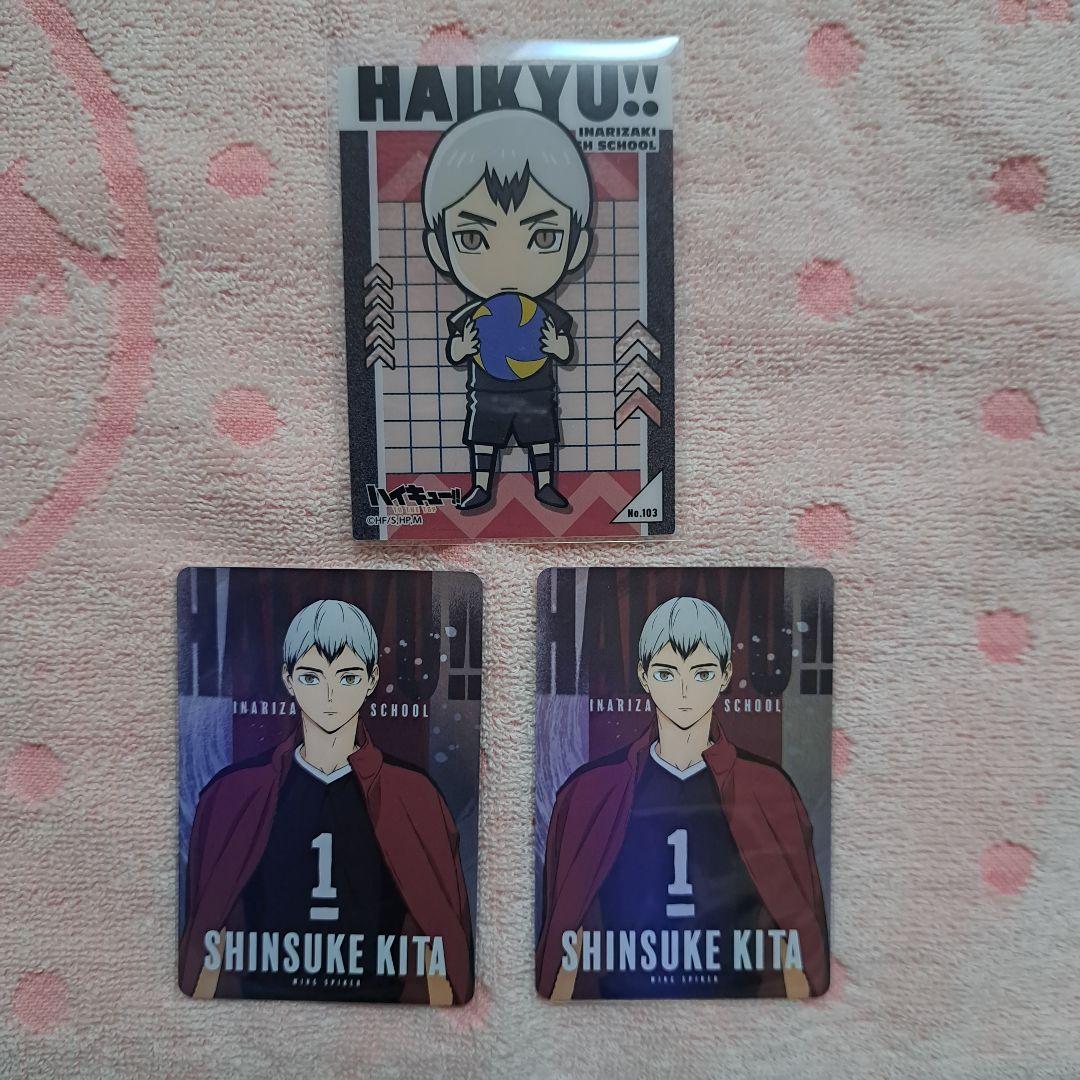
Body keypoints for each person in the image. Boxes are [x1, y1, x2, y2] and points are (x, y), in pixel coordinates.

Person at [179, 599, 473, 1004]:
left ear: (371, 679)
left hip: (385, 1007)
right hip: (262, 1004)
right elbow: (208, 940)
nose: (330, 695)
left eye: (348, 677)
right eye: (312, 677)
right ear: (288, 679)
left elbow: (440, 942)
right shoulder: (234, 795)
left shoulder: (414, 796)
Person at [536, 597, 829, 999]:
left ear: (725, 674)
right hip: (617, 1007)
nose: (685, 691)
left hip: (741, 1010)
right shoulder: (591, 792)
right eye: (667, 673)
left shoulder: (767, 790)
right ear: (644, 675)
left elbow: (797, 941)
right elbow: (564, 943)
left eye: (702, 673)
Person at [421, 108, 593, 511]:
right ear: (439, 250)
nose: (509, 265)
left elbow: (566, 349)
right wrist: (462, 349)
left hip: (536, 392)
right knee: (484, 440)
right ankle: (481, 487)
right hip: (487, 392)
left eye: (544, 236)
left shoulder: (546, 313)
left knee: (542, 439)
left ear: (577, 247)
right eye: (472, 238)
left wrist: (558, 346)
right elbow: (455, 352)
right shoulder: (474, 315)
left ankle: (545, 485)